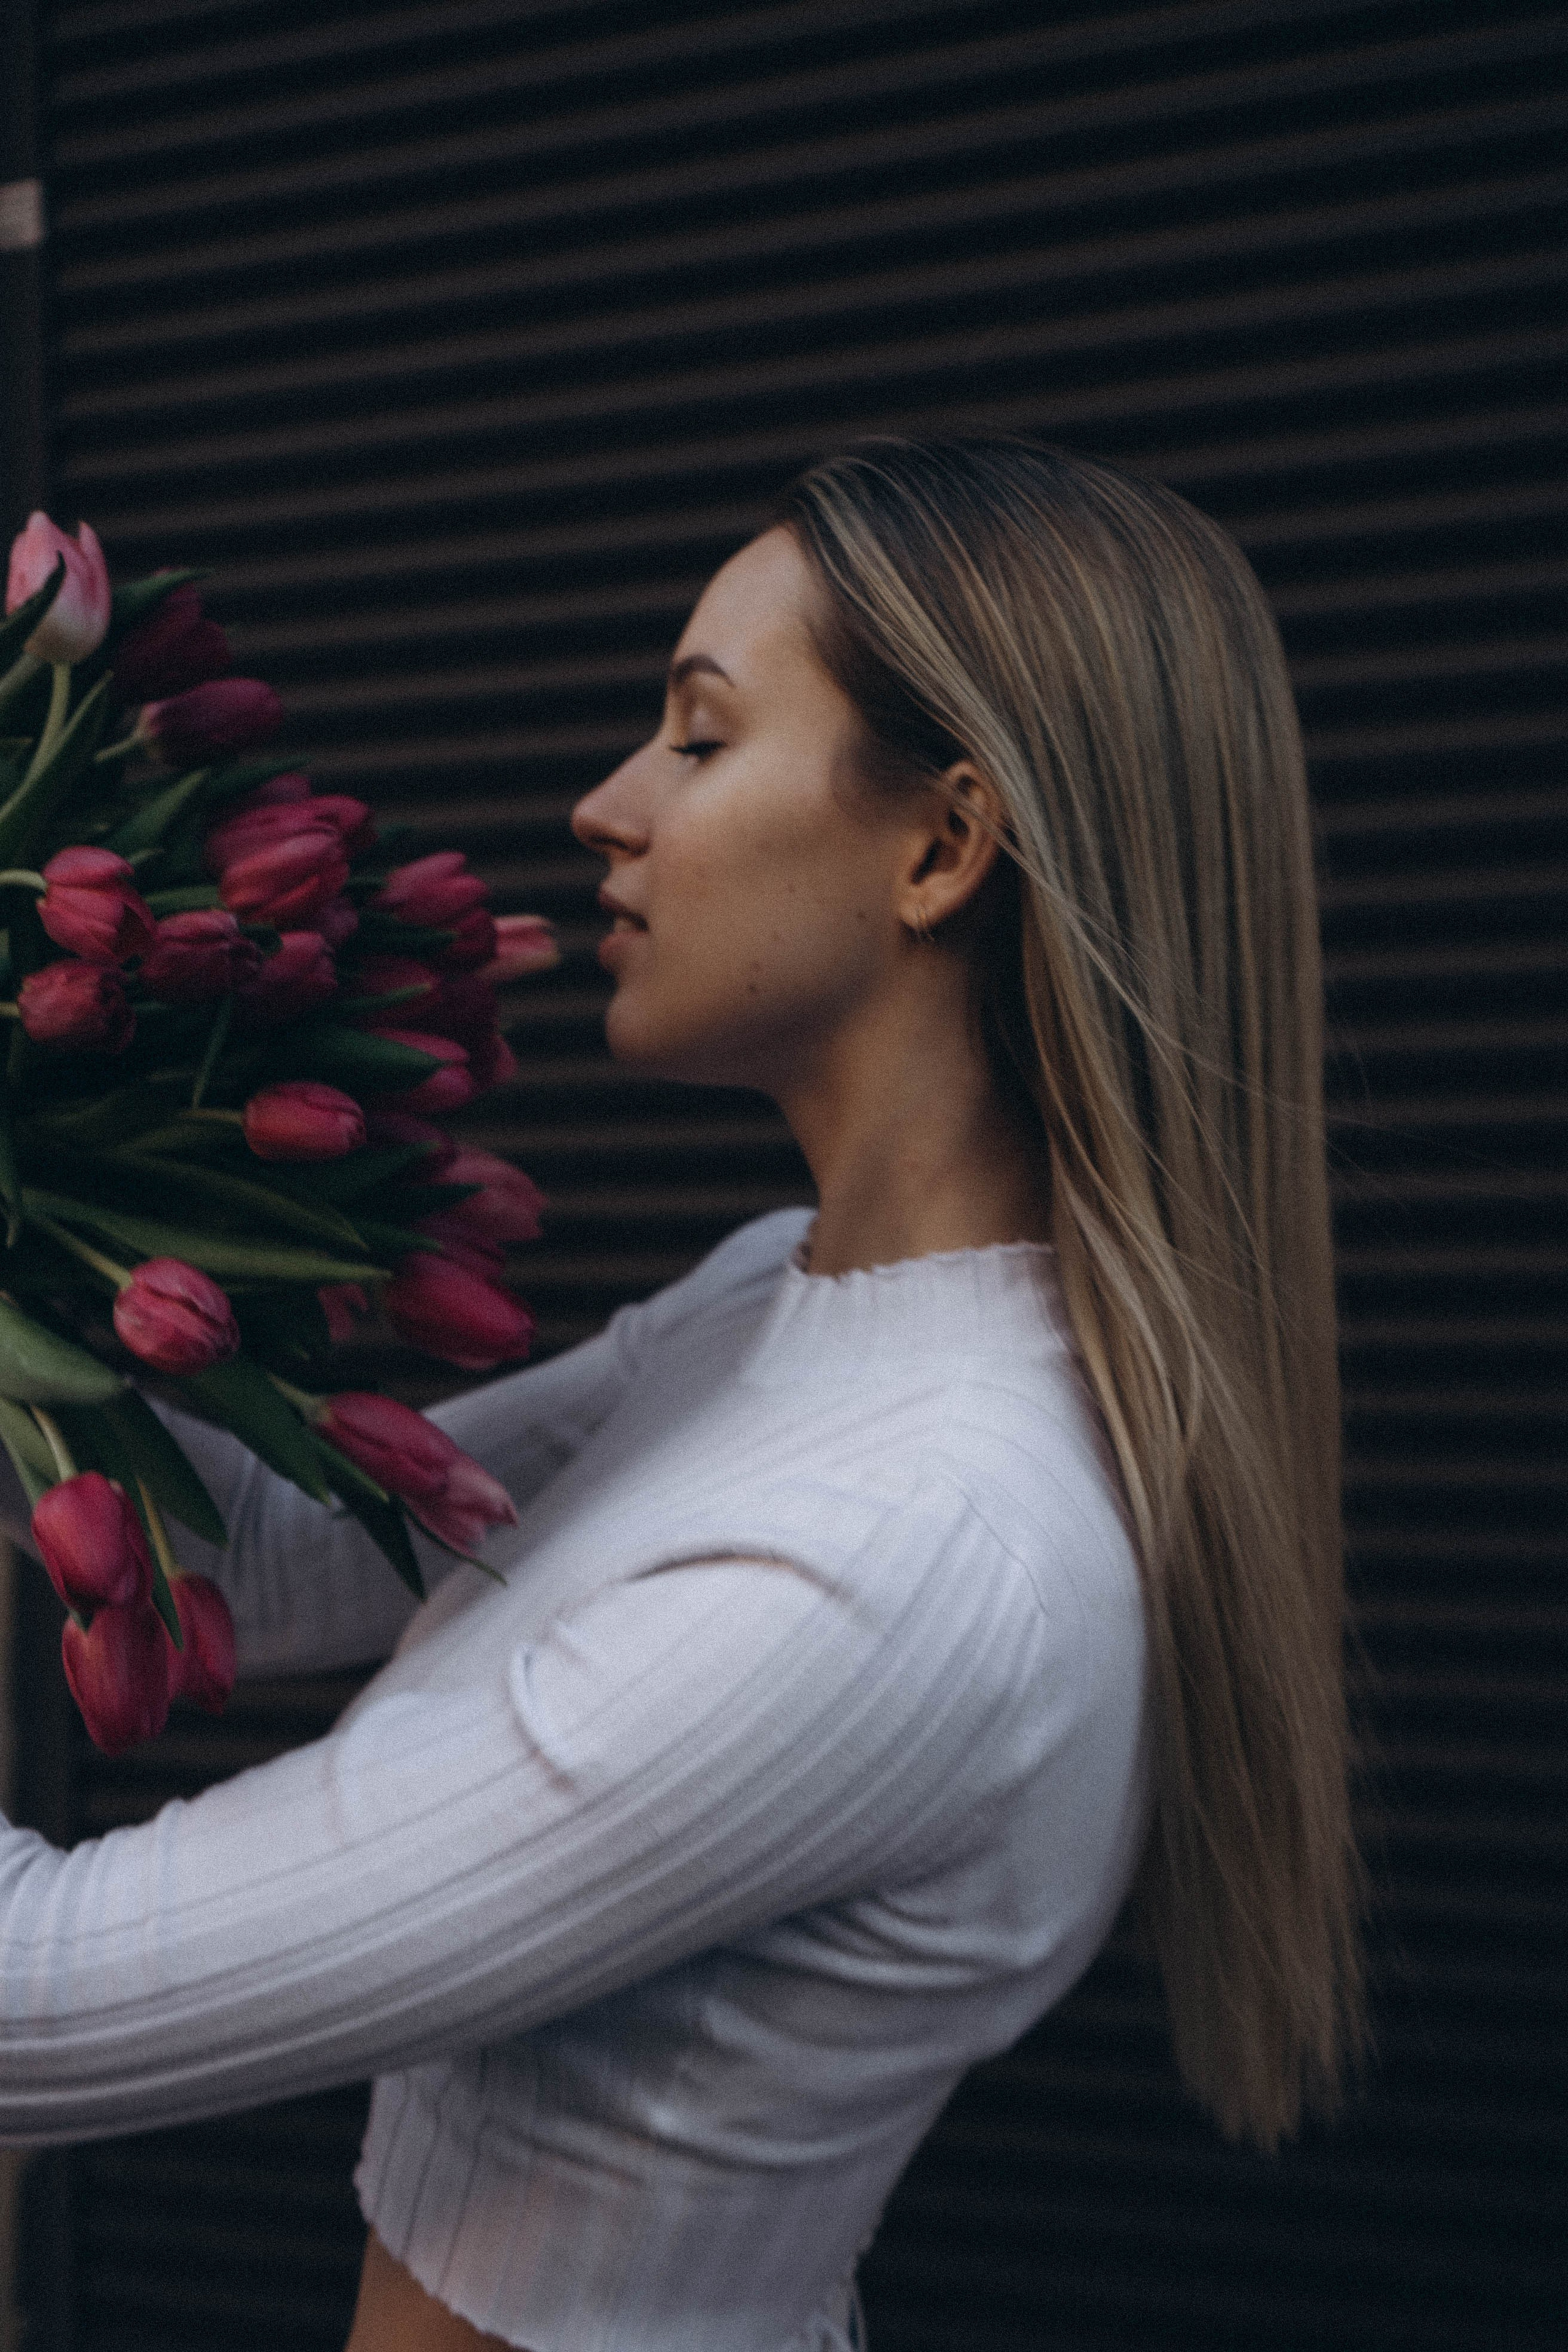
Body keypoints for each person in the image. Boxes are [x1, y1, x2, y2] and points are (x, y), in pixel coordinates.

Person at [0, 440, 1360, 2352]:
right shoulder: (777, 1305)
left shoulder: (903, 1561)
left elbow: (33, 2006)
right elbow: (301, 1543)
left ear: (942, 846)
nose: (605, 807)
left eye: (701, 740)